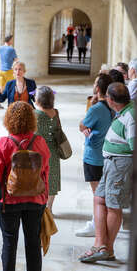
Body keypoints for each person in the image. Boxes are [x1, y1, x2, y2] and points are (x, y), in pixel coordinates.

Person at [79, 83, 134, 262]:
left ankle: (106, 249)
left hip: (120, 165)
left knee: (113, 205)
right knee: (99, 199)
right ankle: (100, 244)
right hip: (111, 163)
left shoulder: (131, 116)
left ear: (110, 100)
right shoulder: (125, 110)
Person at [0, 101, 50, 271]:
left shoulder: (5, 143)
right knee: (33, 243)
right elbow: (45, 170)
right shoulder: (39, 142)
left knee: (9, 242)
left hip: (9, 200)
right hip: (36, 199)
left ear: (9, 119)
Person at [75, 74, 114, 237]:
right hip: (107, 153)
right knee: (102, 193)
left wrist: (90, 109)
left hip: (94, 156)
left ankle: (96, 226)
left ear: (97, 88)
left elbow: (82, 125)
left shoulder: (96, 108)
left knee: (98, 195)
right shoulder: (113, 106)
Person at [34, 86, 61, 212]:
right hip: (53, 151)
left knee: (37, 177)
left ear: (38, 99)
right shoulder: (55, 113)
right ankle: (49, 208)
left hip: (37, 151)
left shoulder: (34, 114)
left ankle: (38, 206)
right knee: (52, 179)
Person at [0, 35, 19, 109]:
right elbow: (16, 60)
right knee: (13, 87)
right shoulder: (11, 49)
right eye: (12, 40)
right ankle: (12, 104)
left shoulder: (0, 48)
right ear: (9, 40)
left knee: (0, 88)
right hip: (8, 71)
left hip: (1, 71)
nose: (12, 41)